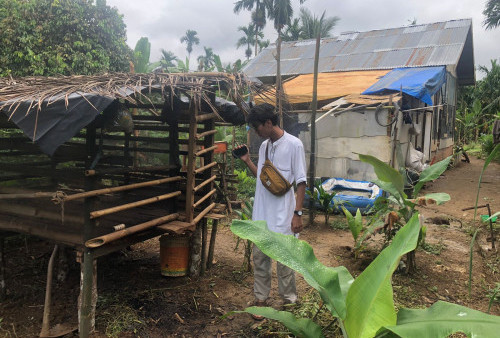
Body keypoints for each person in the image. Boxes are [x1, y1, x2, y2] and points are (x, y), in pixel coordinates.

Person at [234, 103, 307, 319]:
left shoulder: (294, 145)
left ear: (268, 123)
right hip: (262, 215)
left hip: (284, 216)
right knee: (260, 259)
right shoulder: (265, 146)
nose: (256, 132)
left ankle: (289, 301)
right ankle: (261, 299)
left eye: (257, 127)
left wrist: (298, 213)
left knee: (285, 261)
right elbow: (265, 179)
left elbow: (301, 182)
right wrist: (247, 160)